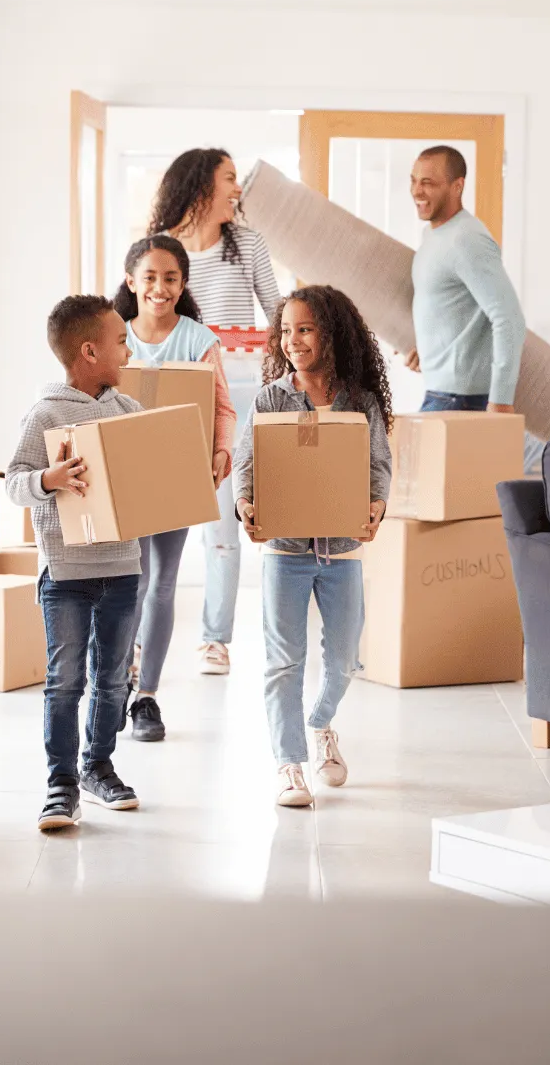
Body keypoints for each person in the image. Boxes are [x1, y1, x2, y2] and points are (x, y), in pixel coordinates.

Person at [233, 286, 391, 808]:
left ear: (333, 334)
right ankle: (289, 764)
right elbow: (247, 463)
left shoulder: (360, 402)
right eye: (285, 331)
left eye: (304, 329)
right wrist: (244, 504)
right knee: (284, 662)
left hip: (342, 548)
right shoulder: (271, 399)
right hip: (285, 549)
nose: (292, 341)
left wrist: (377, 505)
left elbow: (379, 466)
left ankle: (320, 723)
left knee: (344, 660)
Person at [6, 295, 143, 831]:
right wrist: (49, 479)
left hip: (123, 566)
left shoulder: (128, 411)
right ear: (89, 351)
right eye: (121, 341)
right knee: (66, 680)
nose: (128, 350)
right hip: (66, 574)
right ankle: (60, 782)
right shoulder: (45, 414)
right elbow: (15, 482)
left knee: (113, 679)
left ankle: (97, 767)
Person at [149, 148, 281, 676]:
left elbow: (279, 316)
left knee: (224, 524)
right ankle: (137, 640)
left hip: (239, 392)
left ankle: (214, 640)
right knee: (152, 520)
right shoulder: (161, 250)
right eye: (229, 178)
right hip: (175, 393)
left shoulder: (247, 244)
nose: (237, 187)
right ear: (201, 184)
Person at [113, 234, 236, 742]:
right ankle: (116, 684)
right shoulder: (114, 334)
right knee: (131, 584)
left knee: (162, 582)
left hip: (178, 475)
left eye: (171, 279)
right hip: (125, 476)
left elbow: (222, 408)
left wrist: (221, 452)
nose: (160, 288)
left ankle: (147, 696)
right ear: (131, 281)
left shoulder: (198, 340)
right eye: (150, 277)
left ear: (183, 284)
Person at [407, 145, 543, 473]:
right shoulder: (433, 236)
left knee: (429, 491)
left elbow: (509, 318)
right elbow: (457, 308)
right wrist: (428, 348)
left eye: (428, 182)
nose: (417, 191)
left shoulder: (467, 240)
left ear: (458, 186)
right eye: (413, 180)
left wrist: (501, 400)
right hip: (443, 392)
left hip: (462, 400)